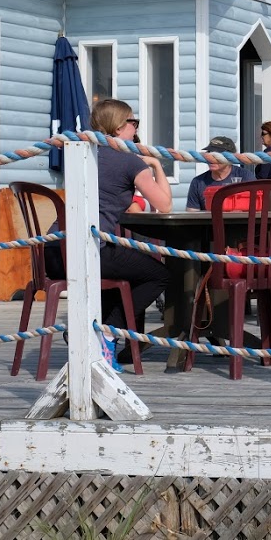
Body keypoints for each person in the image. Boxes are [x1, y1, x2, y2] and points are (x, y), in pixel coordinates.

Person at [88, 98, 173, 364]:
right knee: (159, 275)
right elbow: (165, 205)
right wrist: (156, 165)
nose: (135, 129)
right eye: (132, 122)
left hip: (57, 250)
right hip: (91, 250)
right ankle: (109, 335)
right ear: (117, 127)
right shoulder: (128, 160)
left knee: (122, 270)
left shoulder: (86, 151)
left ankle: (94, 331)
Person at [185, 136, 255, 210]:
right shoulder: (198, 182)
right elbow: (192, 213)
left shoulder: (245, 177)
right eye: (209, 153)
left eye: (217, 155)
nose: (211, 158)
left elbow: (257, 208)